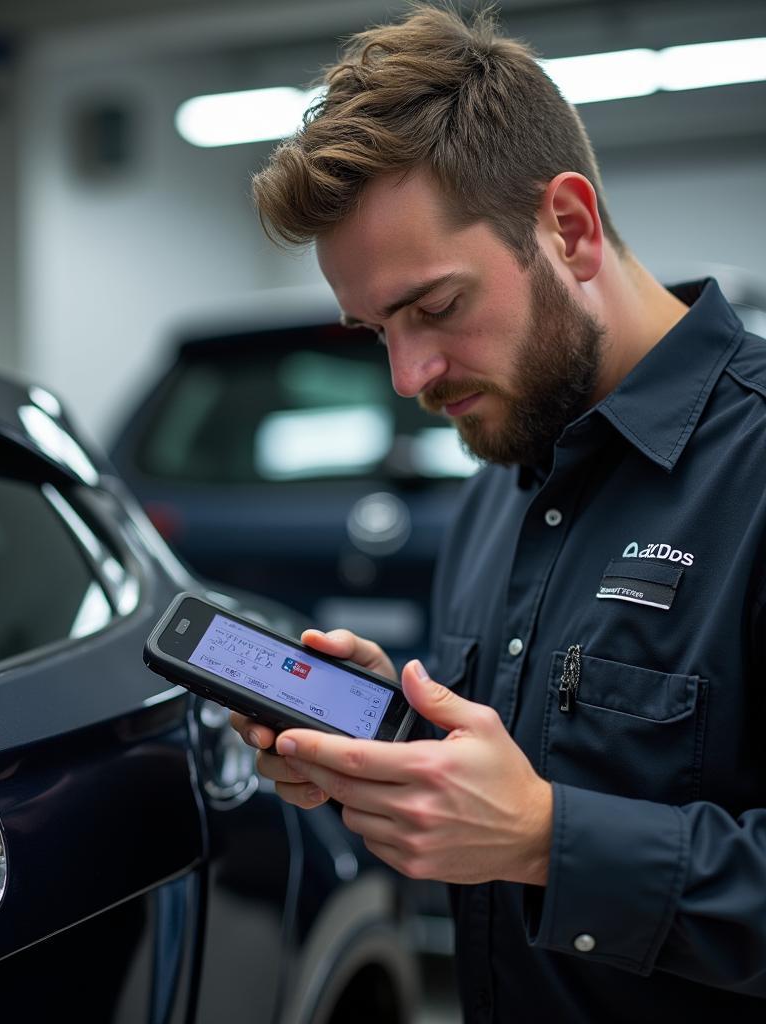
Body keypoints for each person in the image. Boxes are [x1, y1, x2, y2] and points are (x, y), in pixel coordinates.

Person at [229, 4, 766, 1021]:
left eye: (434, 308)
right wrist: (398, 744)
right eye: (373, 330)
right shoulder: (498, 486)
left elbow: (536, 821)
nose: (408, 375)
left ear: (566, 227)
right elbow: (514, 783)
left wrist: (542, 836)